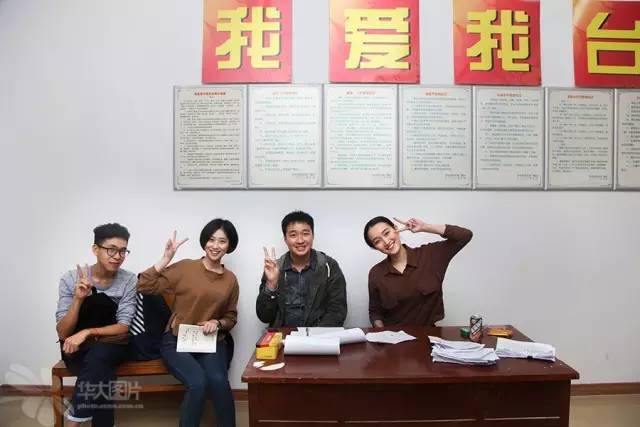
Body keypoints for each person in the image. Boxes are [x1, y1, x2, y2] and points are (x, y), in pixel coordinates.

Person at [137, 219, 239, 427]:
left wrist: (217, 323)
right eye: (211, 240)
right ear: (204, 242)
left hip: (209, 341)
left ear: (229, 246)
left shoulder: (230, 280)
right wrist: (165, 259)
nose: (215, 246)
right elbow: (144, 285)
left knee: (219, 382)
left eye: (222, 241)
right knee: (197, 382)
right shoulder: (185, 268)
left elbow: (231, 317)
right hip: (176, 340)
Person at [55, 223, 137, 427]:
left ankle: (73, 421)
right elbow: (63, 333)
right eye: (111, 249)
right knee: (101, 368)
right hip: (75, 347)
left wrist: (87, 331)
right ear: (95, 249)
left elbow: (123, 326)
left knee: (100, 356)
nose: (117, 256)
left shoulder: (128, 280)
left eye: (123, 251)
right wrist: (78, 299)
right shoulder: (70, 279)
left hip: (112, 343)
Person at [363, 216, 472, 327]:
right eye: (377, 241)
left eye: (386, 233)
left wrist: (424, 227)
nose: (386, 241)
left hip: (428, 335)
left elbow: (465, 236)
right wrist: (382, 334)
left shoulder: (430, 255)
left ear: (396, 229)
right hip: (393, 336)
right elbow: (375, 312)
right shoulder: (376, 274)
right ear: (376, 247)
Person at [256, 211, 347, 327]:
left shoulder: (329, 266)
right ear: (285, 239)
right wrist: (271, 284)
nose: (300, 240)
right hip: (283, 335)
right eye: (293, 235)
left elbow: (337, 311)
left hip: (318, 336)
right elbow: (264, 316)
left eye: (305, 233)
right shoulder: (275, 268)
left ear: (313, 236)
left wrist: (314, 335)